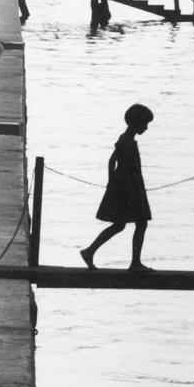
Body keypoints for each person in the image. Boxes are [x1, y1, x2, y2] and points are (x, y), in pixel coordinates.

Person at [80, 104, 154, 271]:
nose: (146, 128)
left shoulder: (125, 139)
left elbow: (112, 161)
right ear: (137, 123)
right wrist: (126, 190)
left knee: (120, 225)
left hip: (125, 186)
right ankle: (135, 263)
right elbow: (121, 166)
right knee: (140, 223)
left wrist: (111, 181)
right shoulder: (127, 143)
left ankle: (90, 251)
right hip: (129, 189)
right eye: (145, 124)